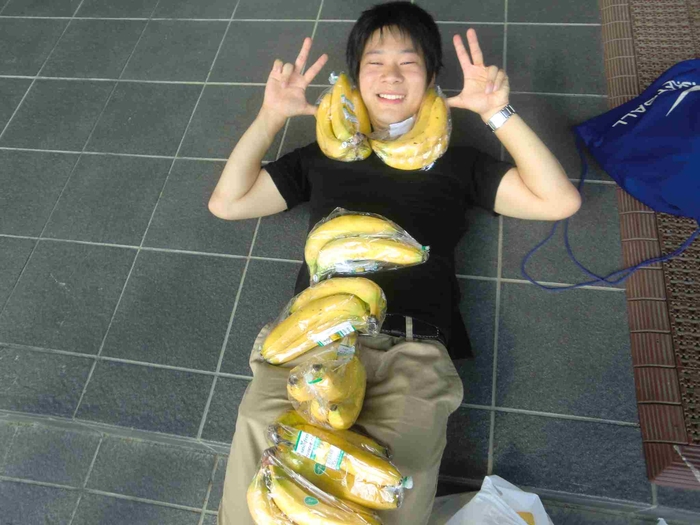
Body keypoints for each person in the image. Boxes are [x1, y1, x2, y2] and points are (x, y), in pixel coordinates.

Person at [209, 3, 581, 524]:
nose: (390, 75)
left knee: (393, 489)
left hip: (410, 351)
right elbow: (228, 203)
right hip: (312, 339)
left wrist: (498, 112)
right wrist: (271, 115)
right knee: (258, 480)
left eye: (408, 62)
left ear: (431, 78)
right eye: (374, 62)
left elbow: (558, 200)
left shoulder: (457, 162)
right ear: (356, 78)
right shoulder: (320, 156)